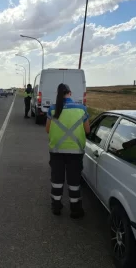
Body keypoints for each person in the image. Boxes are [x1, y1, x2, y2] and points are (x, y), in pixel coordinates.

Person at [45, 83, 90, 219]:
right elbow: (87, 130)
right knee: (74, 181)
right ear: (70, 93)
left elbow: (47, 129)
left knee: (57, 180)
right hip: (76, 152)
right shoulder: (82, 109)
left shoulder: (52, 109)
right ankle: (75, 209)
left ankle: (56, 206)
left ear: (57, 94)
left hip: (56, 151)